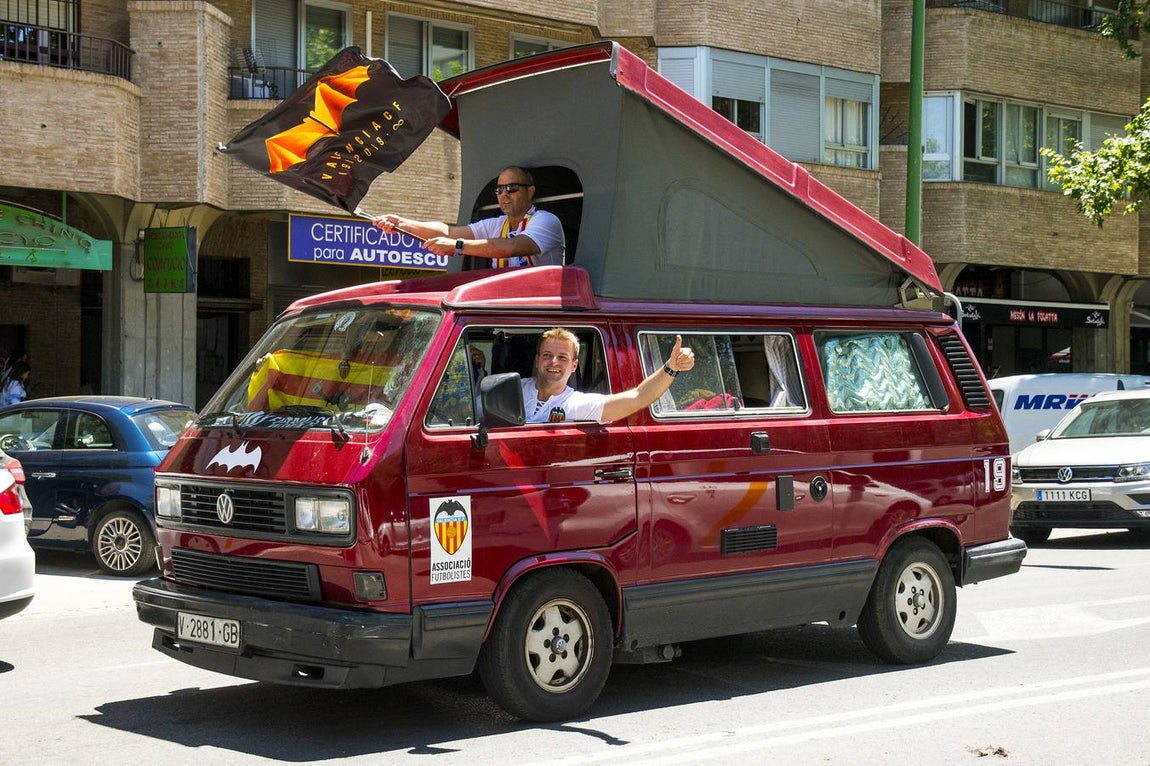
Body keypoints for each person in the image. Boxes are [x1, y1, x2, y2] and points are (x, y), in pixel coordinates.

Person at [373, 166, 565, 268]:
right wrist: (401, 223)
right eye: (499, 189)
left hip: (539, 320)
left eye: (512, 188)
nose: (504, 194)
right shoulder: (498, 223)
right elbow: (450, 232)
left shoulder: (546, 220)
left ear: (530, 192)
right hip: (505, 322)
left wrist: (457, 246)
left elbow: (510, 247)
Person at [523, 328, 694, 424]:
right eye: (547, 355)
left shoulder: (577, 403)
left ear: (574, 366)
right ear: (537, 360)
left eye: (562, 357)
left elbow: (638, 397)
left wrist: (672, 367)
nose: (554, 362)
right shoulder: (512, 389)